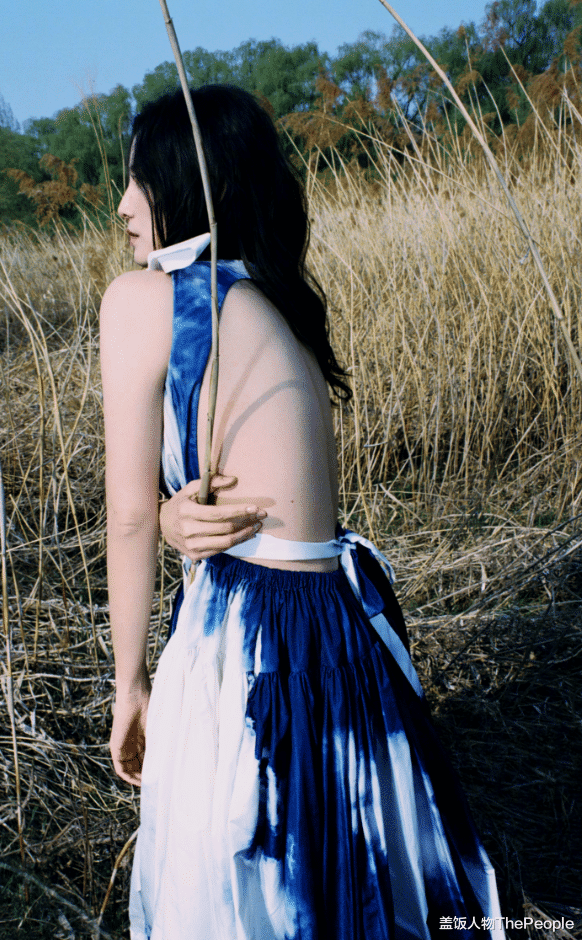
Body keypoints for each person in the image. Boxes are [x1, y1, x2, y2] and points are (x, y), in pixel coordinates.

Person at [100, 85, 503, 940]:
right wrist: (175, 520)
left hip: (257, 631)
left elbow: (128, 516)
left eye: (139, 180)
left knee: (246, 890)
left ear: (191, 185)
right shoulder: (274, 300)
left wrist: (129, 684)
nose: (124, 206)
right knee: (337, 878)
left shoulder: (146, 299)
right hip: (341, 625)